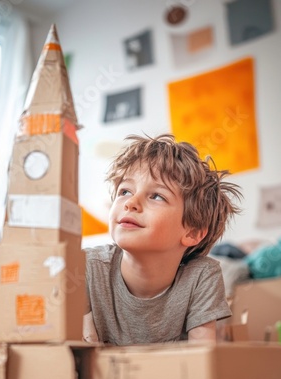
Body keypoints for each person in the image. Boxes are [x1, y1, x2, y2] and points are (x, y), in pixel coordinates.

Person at [83, 133, 242, 345]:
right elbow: (81, 359)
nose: (131, 202)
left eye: (157, 196)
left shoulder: (202, 276)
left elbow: (201, 363)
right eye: (125, 191)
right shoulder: (85, 268)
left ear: (192, 233)